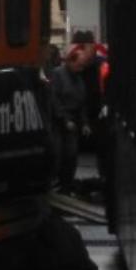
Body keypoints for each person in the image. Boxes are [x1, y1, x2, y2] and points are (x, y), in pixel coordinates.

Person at [49, 44, 89, 192]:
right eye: (79, 65)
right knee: (58, 154)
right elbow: (55, 99)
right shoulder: (58, 75)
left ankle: (67, 185)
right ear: (70, 62)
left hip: (72, 121)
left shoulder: (78, 78)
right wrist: (65, 120)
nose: (81, 69)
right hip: (59, 122)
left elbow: (82, 103)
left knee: (71, 155)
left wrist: (84, 123)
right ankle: (55, 184)